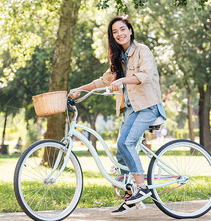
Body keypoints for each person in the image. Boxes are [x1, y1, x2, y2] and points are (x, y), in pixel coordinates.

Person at [70, 16, 166, 216]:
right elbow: (103, 81)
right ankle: (130, 195)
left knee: (126, 144)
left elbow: (145, 75)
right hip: (131, 111)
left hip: (148, 107)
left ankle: (142, 187)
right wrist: (80, 88)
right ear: (112, 36)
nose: (119, 34)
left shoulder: (142, 51)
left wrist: (122, 80)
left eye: (123, 29)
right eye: (115, 31)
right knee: (121, 152)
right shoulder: (118, 57)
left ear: (130, 30)